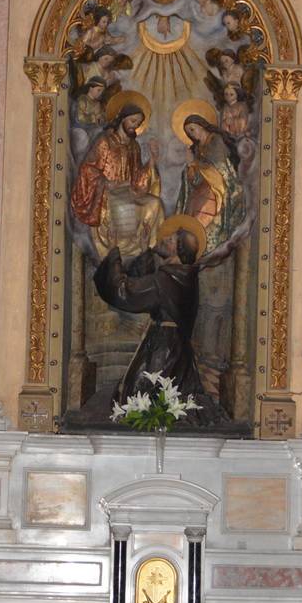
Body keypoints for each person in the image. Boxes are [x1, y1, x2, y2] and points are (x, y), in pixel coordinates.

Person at [93, 216, 215, 420]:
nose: (164, 238)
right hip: (175, 349)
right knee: (163, 402)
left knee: (145, 400)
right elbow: (145, 284)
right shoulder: (183, 276)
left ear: (178, 251)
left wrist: (113, 252)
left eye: (170, 240)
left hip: (162, 352)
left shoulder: (166, 281)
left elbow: (124, 291)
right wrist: (145, 250)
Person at [71, 98, 164, 259]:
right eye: (133, 121)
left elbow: (137, 179)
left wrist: (152, 160)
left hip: (129, 192)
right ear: (122, 119)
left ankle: (145, 249)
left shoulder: (134, 146)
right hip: (107, 194)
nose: (135, 126)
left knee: (155, 203)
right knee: (121, 208)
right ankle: (118, 252)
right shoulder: (105, 142)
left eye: (138, 123)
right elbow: (88, 169)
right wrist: (106, 183)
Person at [176, 114, 244, 251]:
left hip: (220, 184)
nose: (191, 134)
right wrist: (190, 166)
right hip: (204, 184)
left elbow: (218, 166)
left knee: (204, 204)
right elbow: (196, 177)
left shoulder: (215, 140)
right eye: (189, 133)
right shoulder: (196, 148)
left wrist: (193, 162)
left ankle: (204, 238)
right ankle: (191, 237)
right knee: (192, 202)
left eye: (192, 129)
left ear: (201, 126)